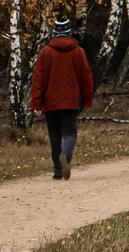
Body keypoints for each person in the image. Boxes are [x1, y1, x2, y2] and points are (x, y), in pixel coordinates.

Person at [29, 18, 94, 180]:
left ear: (54, 32)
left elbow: (38, 80)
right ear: (69, 32)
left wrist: (35, 103)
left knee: (55, 135)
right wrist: (86, 100)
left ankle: (58, 170)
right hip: (71, 100)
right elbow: (86, 78)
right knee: (70, 132)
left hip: (50, 102)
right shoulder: (78, 52)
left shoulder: (45, 53)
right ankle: (66, 155)